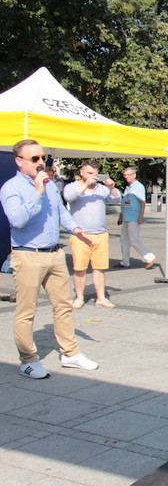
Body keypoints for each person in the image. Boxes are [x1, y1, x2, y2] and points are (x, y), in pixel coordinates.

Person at [0, 139, 99, 379]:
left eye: (42, 157)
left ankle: (70, 353)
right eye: (34, 159)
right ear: (19, 161)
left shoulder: (50, 184)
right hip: (28, 254)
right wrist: (36, 192)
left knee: (63, 306)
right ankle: (28, 360)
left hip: (54, 254)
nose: (41, 162)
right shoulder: (12, 188)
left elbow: (61, 212)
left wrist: (76, 230)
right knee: (26, 311)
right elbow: (17, 220)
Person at [63, 160, 121, 308]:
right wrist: (85, 184)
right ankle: (79, 297)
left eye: (95, 174)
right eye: (89, 173)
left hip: (100, 234)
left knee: (100, 268)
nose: (92, 177)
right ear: (82, 173)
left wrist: (112, 187)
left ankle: (101, 297)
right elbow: (68, 197)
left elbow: (116, 199)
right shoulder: (73, 187)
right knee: (80, 268)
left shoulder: (101, 189)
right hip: (80, 235)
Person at [115, 167, 156, 269]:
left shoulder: (138, 187)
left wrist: (141, 217)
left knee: (133, 240)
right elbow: (125, 204)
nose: (126, 177)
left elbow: (142, 202)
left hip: (134, 217)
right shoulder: (128, 188)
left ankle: (150, 257)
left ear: (134, 175)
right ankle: (125, 261)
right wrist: (121, 216)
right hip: (126, 217)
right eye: (125, 175)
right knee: (124, 240)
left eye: (129, 175)